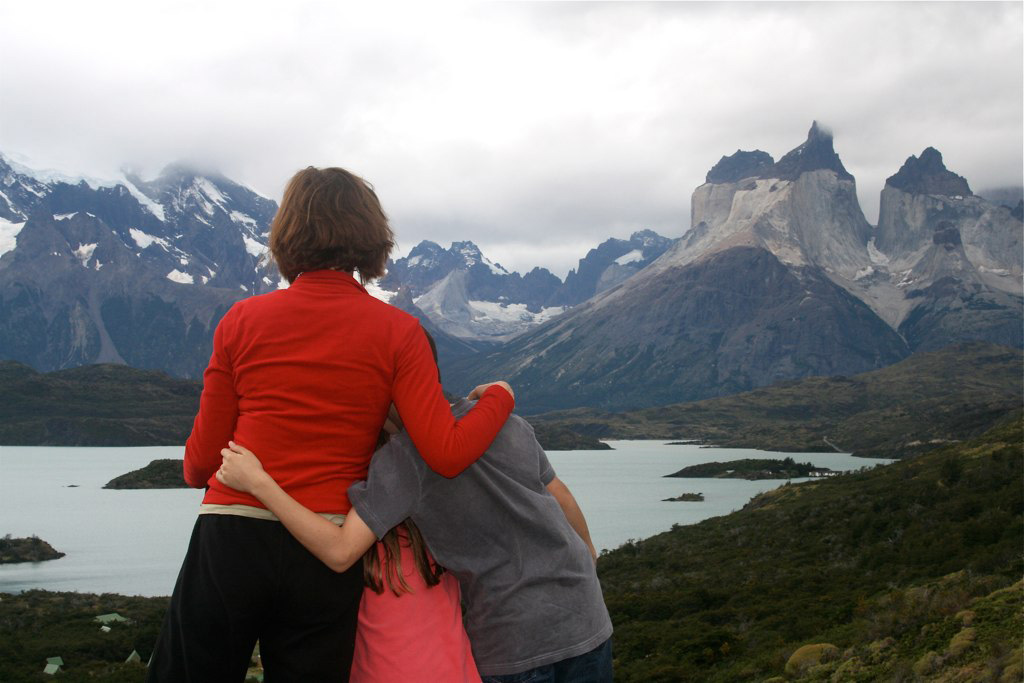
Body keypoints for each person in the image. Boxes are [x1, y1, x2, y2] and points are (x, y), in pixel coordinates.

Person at [147, 166, 515, 683]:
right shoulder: (400, 332)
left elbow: (200, 466)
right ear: (370, 237)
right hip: (323, 546)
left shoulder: (240, 320)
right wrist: (500, 396)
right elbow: (446, 453)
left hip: (231, 537)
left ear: (286, 236)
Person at [216, 335, 613, 683]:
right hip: (587, 618)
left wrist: (258, 483)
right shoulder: (505, 423)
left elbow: (340, 552)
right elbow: (559, 494)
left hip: (513, 643)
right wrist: (589, 557)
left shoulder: (405, 461)